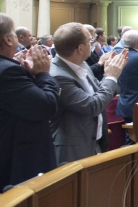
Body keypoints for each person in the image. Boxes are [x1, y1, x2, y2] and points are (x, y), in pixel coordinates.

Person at [50, 24, 128, 163]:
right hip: (73, 149)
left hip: (94, 141)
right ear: (80, 48)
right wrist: (111, 77)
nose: (93, 44)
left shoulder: (82, 64)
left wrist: (111, 74)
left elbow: (99, 91)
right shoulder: (58, 76)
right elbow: (92, 106)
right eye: (90, 41)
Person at [0, 14, 59, 191]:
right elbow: (46, 106)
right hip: (17, 159)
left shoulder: (9, 69)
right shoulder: (9, 72)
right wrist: (43, 74)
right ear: (8, 40)